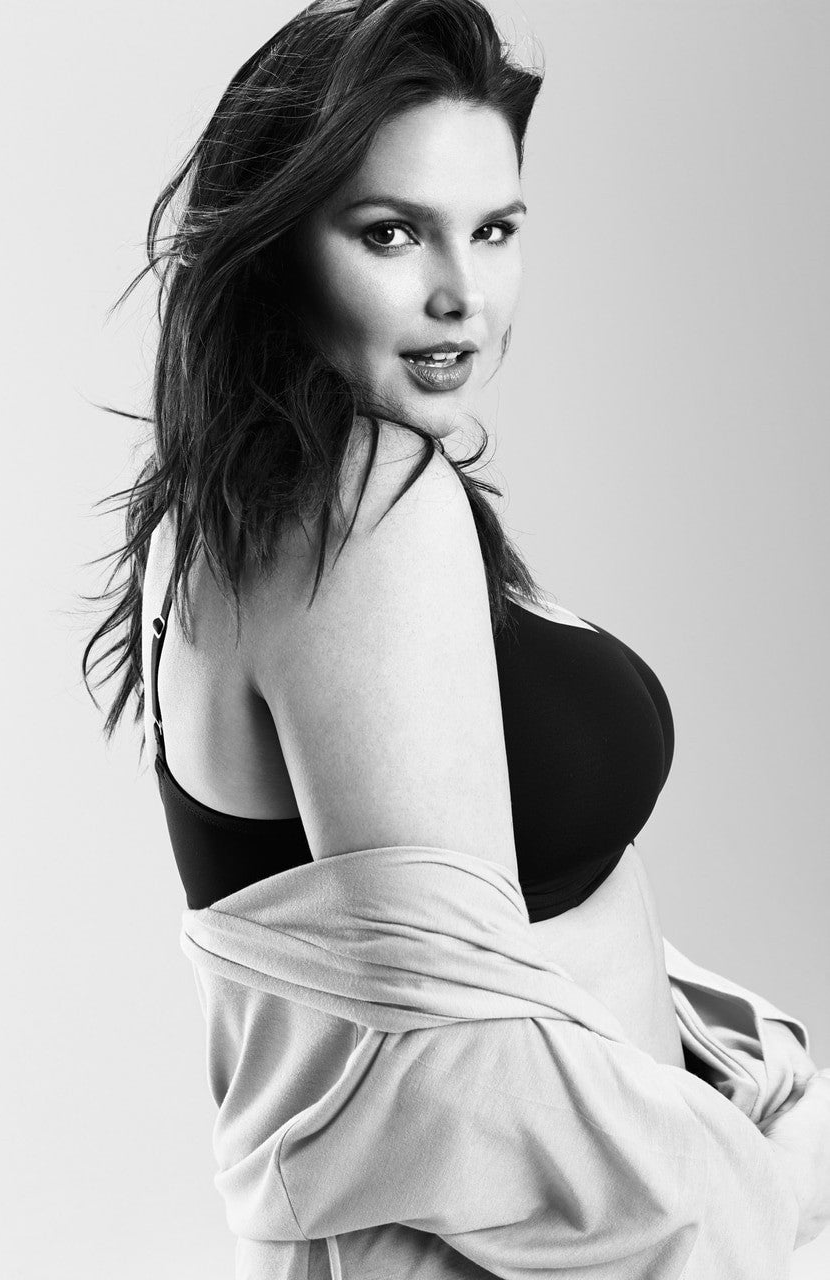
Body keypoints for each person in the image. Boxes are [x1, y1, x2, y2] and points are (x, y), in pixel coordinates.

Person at [81, 2, 830, 1276]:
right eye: (390, 232)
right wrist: (769, 1189)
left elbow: (465, 961)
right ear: (274, 243)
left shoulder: (250, 504)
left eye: (493, 229)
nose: (460, 296)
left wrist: (736, 1067)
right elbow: (458, 1057)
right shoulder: (355, 501)